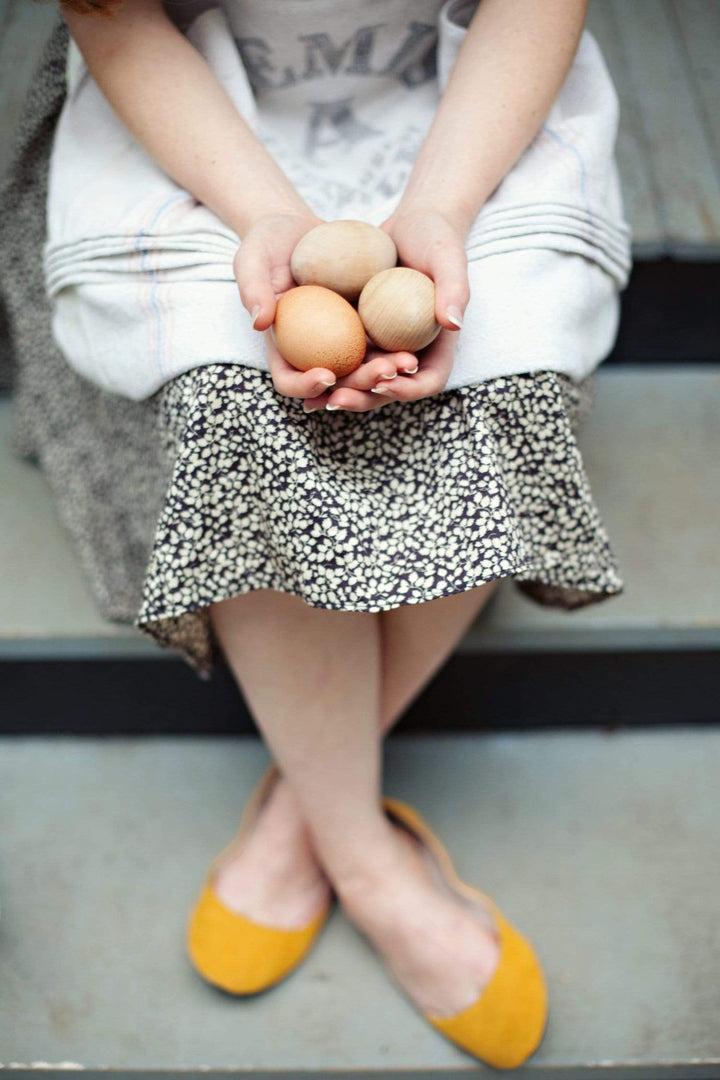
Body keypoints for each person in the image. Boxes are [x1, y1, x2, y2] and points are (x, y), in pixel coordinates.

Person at [1, 0, 629, 1065]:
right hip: (197, 119)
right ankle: (371, 862)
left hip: (467, 103)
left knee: (495, 373)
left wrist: (437, 208)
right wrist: (270, 226)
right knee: (243, 401)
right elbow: (114, 15)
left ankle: (311, 810)